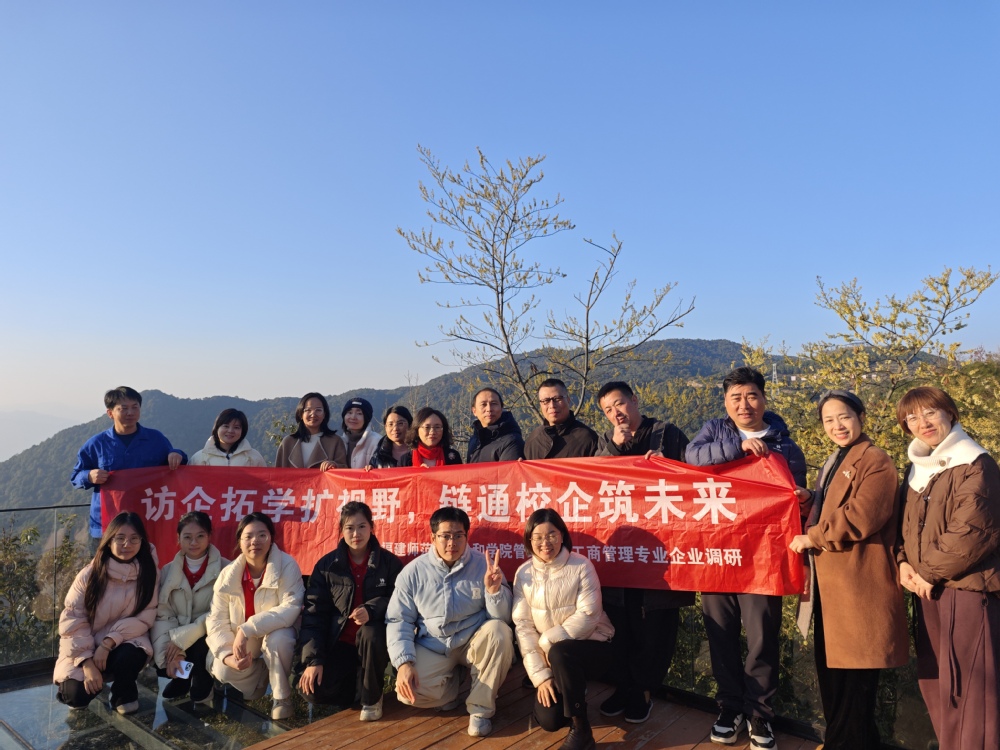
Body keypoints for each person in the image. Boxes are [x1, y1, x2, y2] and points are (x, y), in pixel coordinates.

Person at [685, 366, 807, 749]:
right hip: (717, 554)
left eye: (751, 395)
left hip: (762, 560)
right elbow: (692, 457)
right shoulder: (714, 432)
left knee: (761, 638)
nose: (744, 404)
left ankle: (760, 715)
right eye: (735, 397)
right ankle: (730, 708)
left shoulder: (785, 446)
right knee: (720, 634)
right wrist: (738, 448)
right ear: (725, 402)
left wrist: (804, 498)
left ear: (764, 399)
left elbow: (797, 500)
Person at [788, 390, 908, 750]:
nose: (837, 426)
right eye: (829, 420)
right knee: (834, 675)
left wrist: (811, 537)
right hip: (833, 587)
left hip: (859, 586)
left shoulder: (876, 460)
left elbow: (861, 516)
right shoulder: (836, 459)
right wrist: (812, 500)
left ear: (861, 417)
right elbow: (836, 505)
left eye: (844, 417)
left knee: (855, 683)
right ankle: (846, 742)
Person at [895, 386, 1000, 750]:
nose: (921, 422)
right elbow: (904, 525)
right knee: (938, 680)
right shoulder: (917, 468)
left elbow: (972, 530)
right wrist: (902, 562)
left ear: (950, 413)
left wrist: (927, 573)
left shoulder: (976, 463)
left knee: (971, 688)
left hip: (967, 589)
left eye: (930, 412)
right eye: (912, 417)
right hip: (927, 590)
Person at [593, 380, 694, 723]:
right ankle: (623, 686)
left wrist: (671, 467)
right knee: (620, 623)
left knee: (654, 627)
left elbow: (695, 479)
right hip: (620, 553)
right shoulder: (605, 441)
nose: (616, 413)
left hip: (659, 552)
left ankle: (645, 691)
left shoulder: (667, 433)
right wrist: (614, 449)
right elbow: (592, 483)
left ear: (635, 400)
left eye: (620, 404)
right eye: (608, 410)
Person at [386, 507, 515, 738]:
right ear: (432, 537)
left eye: (458, 535)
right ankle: (451, 688)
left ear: (467, 536)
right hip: (434, 646)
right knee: (408, 693)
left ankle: (480, 709)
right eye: (445, 536)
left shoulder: (483, 566)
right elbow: (399, 620)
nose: (452, 543)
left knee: (500, 632)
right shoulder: (413, 572)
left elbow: (502, 618)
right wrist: (404, 663)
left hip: (472, 641)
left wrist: (494, 592)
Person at [513, 508, 615, 750]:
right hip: (552, 660)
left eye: (551, 535)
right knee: (550, 721)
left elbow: (588, 616)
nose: (545, 543)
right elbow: (524, 627)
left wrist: (548, 643)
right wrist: (541, 676)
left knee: (560, 651)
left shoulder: (581, 566)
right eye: (538, 537)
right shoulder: (523, 573)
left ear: (562, 536)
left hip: (593, 646)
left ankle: (581, 729)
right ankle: (569, 687)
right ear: (529, 540)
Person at [296, 502, 403, 721]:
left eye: (362, 526)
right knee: (313, 689)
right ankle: (354, 689)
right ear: (341, 531)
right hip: (340, 642)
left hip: (375, 644)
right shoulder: (327, 566)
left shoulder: (389, 563)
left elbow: (400, 600)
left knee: (371, 632)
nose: (356, 534)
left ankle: (372, 699)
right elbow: (314, 615)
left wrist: (372, 610)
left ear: (372, 527)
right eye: (350, 528)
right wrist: (314, 660)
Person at [54, 512, 159, 715]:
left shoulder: (149, 573)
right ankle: (92, 676)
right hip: (86, 646)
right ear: (109, 541)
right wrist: (86, 662)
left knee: (131, 655)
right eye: (120, 538)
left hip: (124, 641)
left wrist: (108, 642)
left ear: (142, 541)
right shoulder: (90, 574)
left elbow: (145, 617)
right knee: (75, 696)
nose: (127, 544)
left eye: (134, 538)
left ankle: (123, 692)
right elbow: (72, 622)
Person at [206, 512, 304, 720]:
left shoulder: (287, 565)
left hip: (276, 634)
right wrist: (227, 656)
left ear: (271, 538)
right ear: (239, 541)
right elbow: (216, 620)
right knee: (222, 669)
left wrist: (247, 628)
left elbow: (291, 607)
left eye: (262, 535)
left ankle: (282, 698)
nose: (255, 541)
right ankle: (259, 679)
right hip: (247, 641)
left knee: (278, 639)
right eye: (248, 536)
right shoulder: (228, 575)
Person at [71, 386, 186, 542]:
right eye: (123, 408)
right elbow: (76, 476)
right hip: (107, 524)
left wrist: (177, 454)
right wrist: (89, 476)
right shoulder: (97, 443)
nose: (130, 413)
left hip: (147, 520)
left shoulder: (155, 439)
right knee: (104, 559)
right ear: (110, 413)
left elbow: (177, 464)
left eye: (134, 407)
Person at [153, 511, 228, 703]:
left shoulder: (226, 569)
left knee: (200, 645)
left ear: (209, 536)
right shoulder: (168, 571)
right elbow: (164, 613)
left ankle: (203, 683)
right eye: (187, 537)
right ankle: (182, 679)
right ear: (178, 538)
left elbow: (220, 613)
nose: (194, 542)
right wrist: (173, 648)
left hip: (210, 631)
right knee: (165, 649)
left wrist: (183, 638)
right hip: (177, 630)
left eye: (200, 536)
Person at [523, 378, 599, 460]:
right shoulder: (533, 439)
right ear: (540, 405)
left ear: (568, 400)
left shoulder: (587, 438)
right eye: (546, 401)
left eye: (557, 399)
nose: (552, 405)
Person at [274, 392, 348, 470]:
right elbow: (278, 474)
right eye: (308, 410)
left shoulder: (335, 442)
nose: (313, 414)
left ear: (324, 414)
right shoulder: (288, 443)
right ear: (301, 414)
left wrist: (334, 465)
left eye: (318, 410)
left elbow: (344, 470)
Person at [190, 408, 267, 467]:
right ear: (217, 428)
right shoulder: (199, 458)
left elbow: (264, 481)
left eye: (236, 427)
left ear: (242, 431)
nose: (230, 431)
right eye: (226, 426)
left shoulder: (254, 457)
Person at [466, 387, 524, 463]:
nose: (489, 409)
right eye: (483, 404)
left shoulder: (512, 440)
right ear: (474, 411)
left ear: (501, 408)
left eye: (494, 404)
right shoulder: (474, 440)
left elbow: (507, 470)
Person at [398, 407, 463, 467]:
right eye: (427, 427)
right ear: (417, 430)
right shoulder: (405, 460)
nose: (432, 432)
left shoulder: (453, 457)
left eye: (437, 427)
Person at [341, 397, 382, 469]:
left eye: (359, 413)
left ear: (366, 418)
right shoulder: (340, 441)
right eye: (349, 412)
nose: (353, 417)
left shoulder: (377, 441)